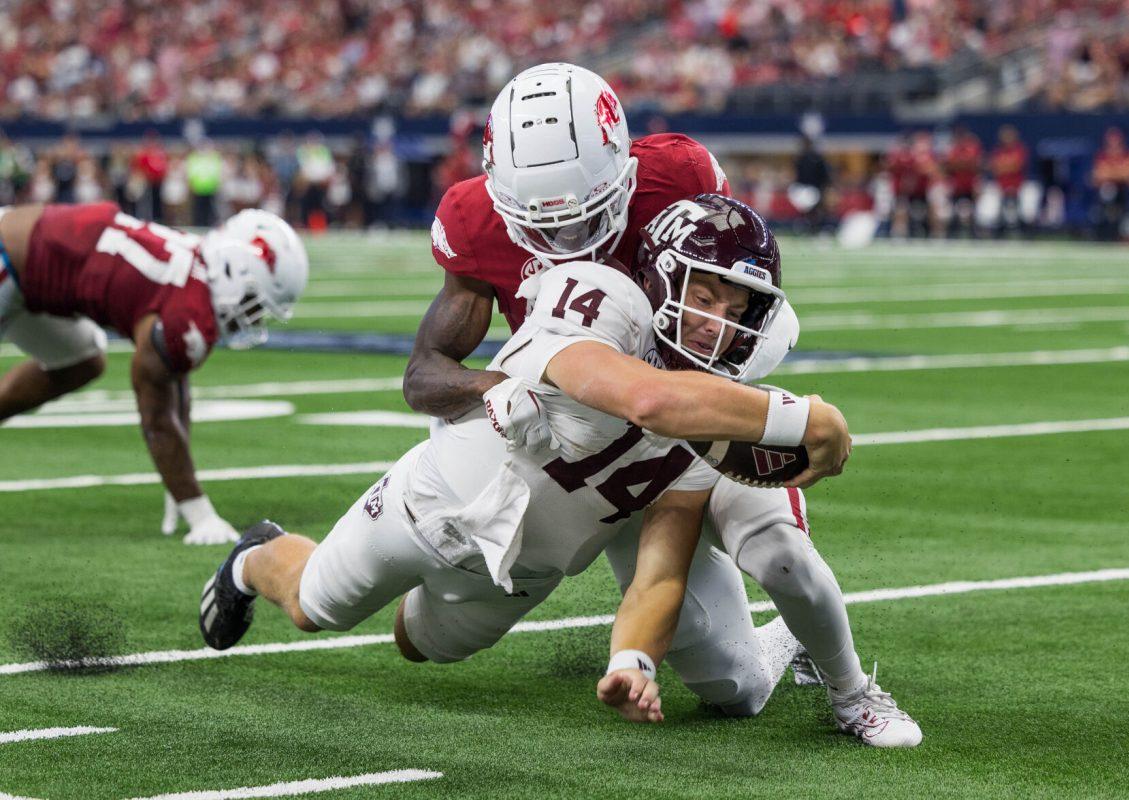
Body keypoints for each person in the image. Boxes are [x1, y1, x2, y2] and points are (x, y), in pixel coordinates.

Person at [403, 63, 920, 745]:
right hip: (600, 450)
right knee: (735, 687)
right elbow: (423, 378)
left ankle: (852, 690)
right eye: (541, 218)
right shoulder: (476, 221)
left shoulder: (676, 177)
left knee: (781, 556)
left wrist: (746, 376)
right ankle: (767, 647)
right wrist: (504, 389)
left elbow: (747, 288)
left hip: (698, 419)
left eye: (587, 206)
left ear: (619, 166)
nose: (569, 234)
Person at [200, 195, 844, 727]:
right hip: (430, 502)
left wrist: (633, 663)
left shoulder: (711, 432)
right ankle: (255, 558)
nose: (715, 324)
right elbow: (648, 399)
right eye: (705, 295)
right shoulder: (602, 301)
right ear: (659, 275)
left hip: (521, 572)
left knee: (417, 644)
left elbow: (658, 576)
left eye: (736, 312)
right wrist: (802, 416)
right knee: (316, 606)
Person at [0, 203, 308, 544]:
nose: (252, 319)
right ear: (234, 272)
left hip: (26, 264)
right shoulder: (188, 314)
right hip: (9, 260)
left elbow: (175, 382)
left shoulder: (196, 270)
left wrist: (179, 476)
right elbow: (157, 417)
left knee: (83, 360)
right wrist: (198, 511)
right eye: (254, 303)